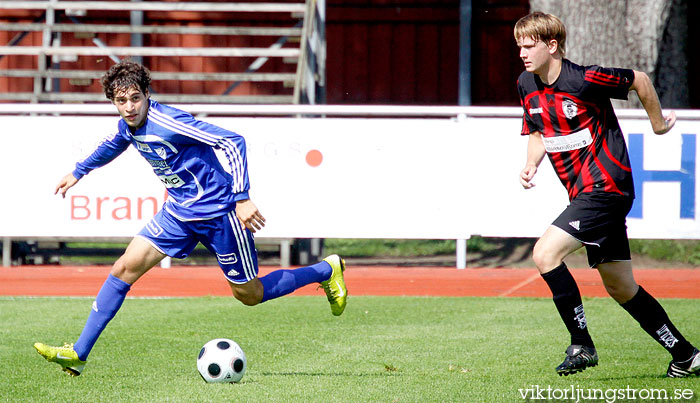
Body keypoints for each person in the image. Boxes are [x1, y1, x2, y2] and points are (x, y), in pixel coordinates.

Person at [34, 60, 348, 376]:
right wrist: (79, 171)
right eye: (121, 101)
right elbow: (114, 144)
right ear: (113, 102)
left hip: (219, 214)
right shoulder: (128, 126)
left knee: (249, 295)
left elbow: (232, 141)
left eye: (134, 98)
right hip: (179, 214)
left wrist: (242, 197)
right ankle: (78, 353)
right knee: (123, 268)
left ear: (146, 94)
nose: (129, 107)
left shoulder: (168, 121)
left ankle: (325, 269)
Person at [514, 12, 699, 377]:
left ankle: (581, 344)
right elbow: (538, 130)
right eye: (519, 45)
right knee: (621, 286)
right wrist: (532, 163)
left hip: (607, 188)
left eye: (529, 44)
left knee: (544, 253)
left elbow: (640, 80)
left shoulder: (584, 78)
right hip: (583, 194)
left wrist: (658, 124)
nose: (522, 52)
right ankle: (685, 354)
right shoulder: (526, 83)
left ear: (552, 46)